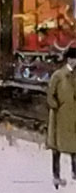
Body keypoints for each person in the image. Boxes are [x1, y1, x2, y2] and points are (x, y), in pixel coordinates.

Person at [47, 47, 76, 189]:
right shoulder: (58, 75)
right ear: (69, 59)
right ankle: (56, 176)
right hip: (60, 117)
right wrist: (57, 106)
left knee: (74, 147)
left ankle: (75, 173)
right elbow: (50, 95)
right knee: (57, 148)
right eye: (73, 59)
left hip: (73, 116)